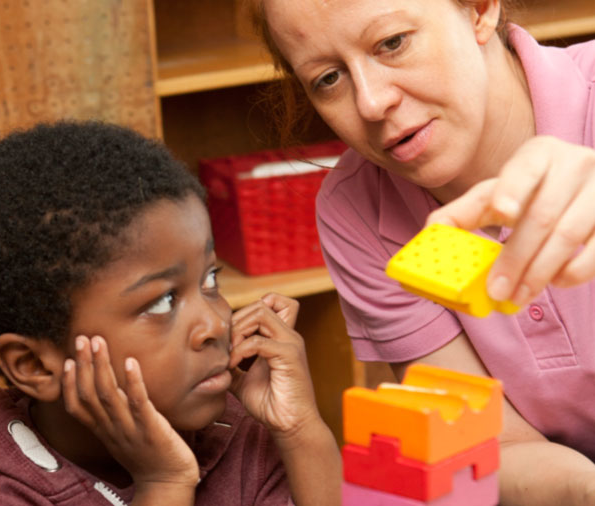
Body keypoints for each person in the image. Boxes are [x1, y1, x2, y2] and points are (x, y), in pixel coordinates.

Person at [247, 0, 595, 504]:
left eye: (392, 43)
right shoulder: (355, 209)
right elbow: (491, 447)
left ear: (479, 10)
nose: (371, 103)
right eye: (328, 78)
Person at [0, 121, 341, 505]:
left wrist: (299, 430)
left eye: (210, 279)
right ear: (35, 365)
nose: (216, 324)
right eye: (161, 302)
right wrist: (164, 484)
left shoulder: (235, 428)